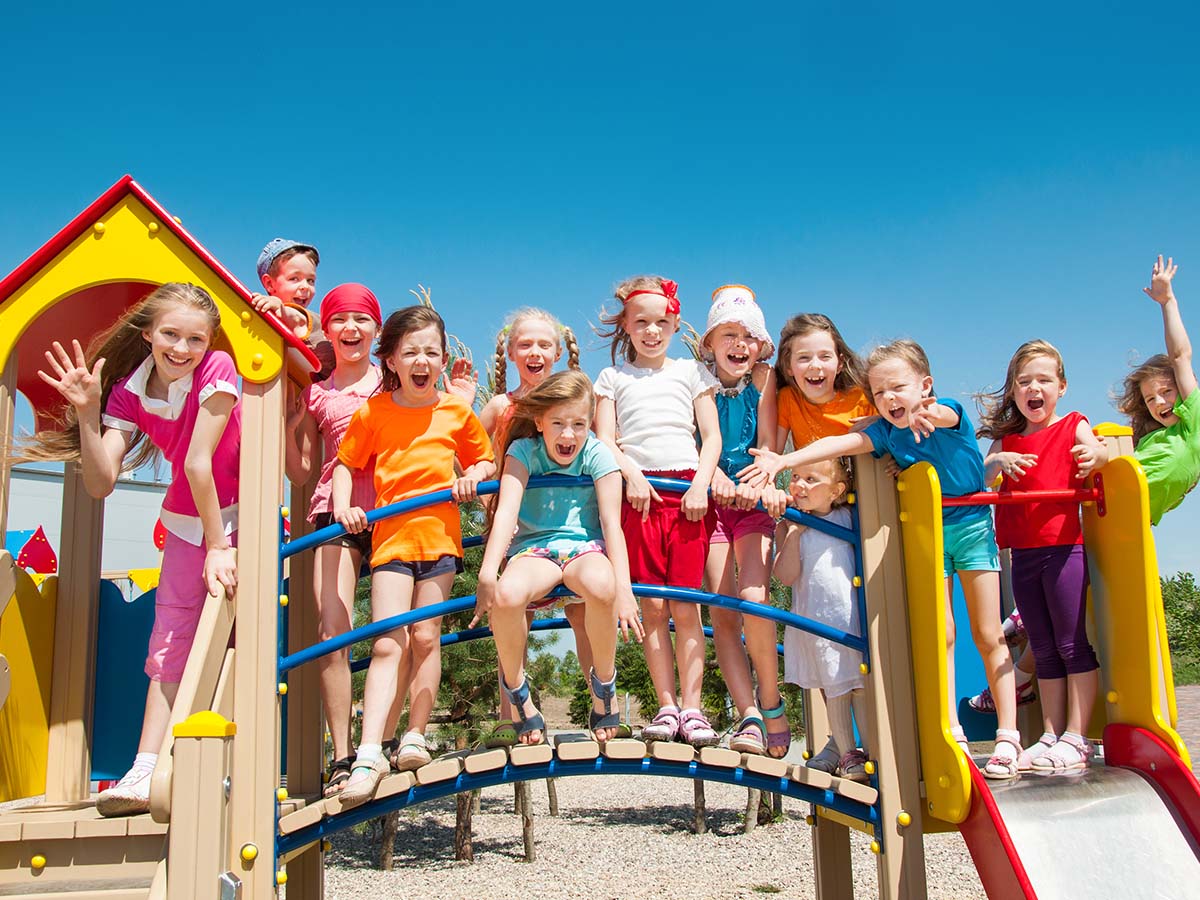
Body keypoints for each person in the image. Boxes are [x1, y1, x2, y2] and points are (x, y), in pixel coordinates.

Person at [743, 339, 1022, 779]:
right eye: (879, 393)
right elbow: (835, 445)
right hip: (926, 532)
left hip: (969, 527)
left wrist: (929, 413)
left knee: (988, 631)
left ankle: (1008, 734)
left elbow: (946, 415)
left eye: (899, 388)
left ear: (924, 386)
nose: (890, 399)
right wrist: (783, 460)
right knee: (942, 634)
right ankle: (953, 729)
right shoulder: (885, 434)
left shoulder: (942, 411)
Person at [23, 283, 240, 815]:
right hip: (193, 521)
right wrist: (90, 413)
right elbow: (100, 482)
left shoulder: (217, 369)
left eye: (195, 337)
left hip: (242, 516)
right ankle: (145, 767)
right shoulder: (128, 393)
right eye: (170, 334)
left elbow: (197, 462)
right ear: (147, 333)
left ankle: (230, 763)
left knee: (239, 636)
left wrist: (220, 546)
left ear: (209, 341)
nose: (182, 348)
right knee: (168, 643)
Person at [333, 305, 495, 803]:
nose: (421, 361)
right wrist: (344, 506)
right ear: (391, 360)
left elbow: (485, 459)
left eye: (431, 352)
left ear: (443, 359)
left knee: (426, 636)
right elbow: (346, 463)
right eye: (411, 353)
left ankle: (414, 736)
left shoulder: (454, 410)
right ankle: (367, 752)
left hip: (439, 541)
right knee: (388, 641)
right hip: (391, 541)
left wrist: (472, 477)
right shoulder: (375, 411)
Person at [474, 371, 644, 743]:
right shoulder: (523, 451)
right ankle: (519, 695)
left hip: (584, 547)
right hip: (535, 548)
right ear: (539, 422)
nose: (569, 435)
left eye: (579, 424)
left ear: (590, 423)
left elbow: (611, 524)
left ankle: (603, 689)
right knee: (505, 596)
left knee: (604, 586)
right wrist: (488, 571)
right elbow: (506, 511)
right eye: (558, 423)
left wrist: (625, 592)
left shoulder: (597, 452)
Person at [594, 275, 723, 747]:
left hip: (687, 491)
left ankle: (694, 708)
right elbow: (605, 440)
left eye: (662, 322)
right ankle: (665, 704)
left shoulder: (690, 372)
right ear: (625, 326)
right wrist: (631, 474)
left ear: (674, 324)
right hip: (639, 496)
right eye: (641, 322)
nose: (652, 331)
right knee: (652, 606)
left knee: (686, 606)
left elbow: (710, 437)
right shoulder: (611, 378)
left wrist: (702, 485)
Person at [977, 339, 1107, 771]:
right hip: (1023, 554)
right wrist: (998, 463)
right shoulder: (1007, 439)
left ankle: (1078, 735)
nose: (1034, 388)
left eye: (1044, 380)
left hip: (1064, 549)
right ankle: (1050, 734)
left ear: (1061, 386)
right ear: (1013, 391)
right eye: (1024, 382)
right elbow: (982, 474)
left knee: (1072, 644)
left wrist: (1097, 454)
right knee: (1044, 647)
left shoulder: (1073, 424)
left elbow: (1100, 452)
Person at [284, 284, 383, 796]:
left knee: (399, 630)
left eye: (361, 320)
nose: (351, 329)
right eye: (340, 320)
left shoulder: (393, 382)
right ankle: (342, 753)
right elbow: (301, 469)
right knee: (332, 630)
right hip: (333, 509)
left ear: (375, 329)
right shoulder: (316, 390)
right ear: (327, 329)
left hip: (390, 508)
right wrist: (290, 425)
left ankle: (380, 744)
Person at [477, 308, 588, 747]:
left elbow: (596, 448)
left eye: (544, 345)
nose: (535, 352)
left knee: (582, 609)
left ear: (558, 353)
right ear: (510, 352)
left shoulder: (574, 400)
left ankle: (602, 704)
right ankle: (514, 714)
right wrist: (478, 469)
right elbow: (479, 450)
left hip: (569, 523)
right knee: (511, 613)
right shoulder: (501, 406)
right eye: (525, 345)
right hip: (517, 526)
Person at [698, 285, 791, 756]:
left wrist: (762, 479)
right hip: (712, 502)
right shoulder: (698, 383)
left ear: (760, 345)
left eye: (748, 336)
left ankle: (771, 702)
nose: (739, 344)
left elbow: (770, 442)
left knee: (755, 596)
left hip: (753, 499)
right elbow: (693, 443)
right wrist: (712, 476)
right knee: (722, 607)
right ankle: (747, 715)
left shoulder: (765, 380)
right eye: (729, 334)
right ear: (711, 342)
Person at [774, 458, 870, 781]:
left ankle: (860, 751)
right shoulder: (790, 524)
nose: (799, 485)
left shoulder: (847, 518)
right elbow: (785, 576)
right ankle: (847, 752)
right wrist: (795, 534)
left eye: (810, 479)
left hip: (848, 621)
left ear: (836, 490)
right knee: (834, 685)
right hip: (814, 624)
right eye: (795, 477)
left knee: (854, 685)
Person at [1117, 255, 1199, 524]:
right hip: (1106, 506)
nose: (1159, 402)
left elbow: (1179, 356)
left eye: (1167, 392)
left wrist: (1168, 302)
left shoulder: (1192, 427)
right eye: (1150, 399)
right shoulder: (1150, 441)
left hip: (1128, 525)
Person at [774, 313, 875, 452]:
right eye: (804, 357)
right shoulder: (788, 399)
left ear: (840, 363)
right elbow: (773, 453)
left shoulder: (862, 398)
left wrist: (881, 423)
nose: (815, 365)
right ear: (788, 366)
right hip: (809, 473)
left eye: (825, 356)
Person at [251, 238, 320, 341]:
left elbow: (297, 318)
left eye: (310, 280)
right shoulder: (260, 321)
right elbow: (291, 316)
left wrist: (281, 308)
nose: (305, 286)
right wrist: (278, 306)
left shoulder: (318, 322)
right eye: (294, 279)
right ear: (269, 283)